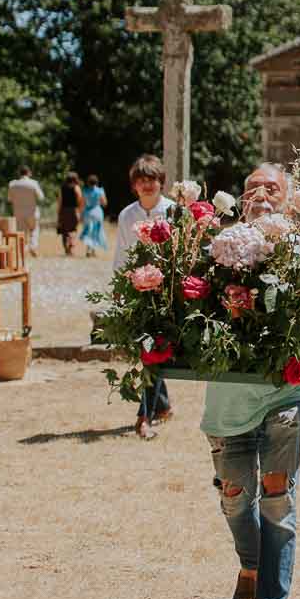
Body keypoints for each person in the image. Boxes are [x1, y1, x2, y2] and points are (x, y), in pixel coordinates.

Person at [201, 162, 300, 599]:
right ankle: (251, 563)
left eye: (273, 187)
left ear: (288, 199)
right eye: (251, 188)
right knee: (234, 498)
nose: (261, 193)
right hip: (227, 403)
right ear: (239, 200)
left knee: (277, 500)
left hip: (284, 395)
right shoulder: (210, 249)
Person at [114, 155, 174, 440]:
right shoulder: (127, 215)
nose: (147, 185)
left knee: (155, 349)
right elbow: (122, 254)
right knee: (148, 351)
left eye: (152, 179)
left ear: (161, 182)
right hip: (137, 289)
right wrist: (118, 287)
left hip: (167, 291)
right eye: (141, 180)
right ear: (134, 186)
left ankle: (145, 415)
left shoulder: (173, 211)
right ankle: (159, 407)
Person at [7, 165, 45, 258]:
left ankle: (22, 252)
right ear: (29, 173)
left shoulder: (12, 184)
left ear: (19, 173)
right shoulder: (33, 183)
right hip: (32, 212)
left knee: (21, 234)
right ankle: (32, 246)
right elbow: (41, 197)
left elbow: (9, 199)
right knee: (34, 230)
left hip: (18, 212)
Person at [78, 172, 109, 257]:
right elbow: (104, 203)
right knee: (96, 231)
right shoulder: (100, 191)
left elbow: (82, 204)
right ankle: (93, 250)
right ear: (96, 182)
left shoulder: (85, 191)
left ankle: (88, 249)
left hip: (88, 212)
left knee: (89, 231)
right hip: (97, 212)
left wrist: (80, 214)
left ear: (88, 182)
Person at [56, 171, 83, 257]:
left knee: (64, 231)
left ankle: (66, 248)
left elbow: (59, 201)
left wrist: (58, 213)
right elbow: (80, 200)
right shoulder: (76, 188)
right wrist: (79, 211)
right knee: (73, 230)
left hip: (64, 211)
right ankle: (71, 246)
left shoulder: (62, 188)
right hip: (73, 211)